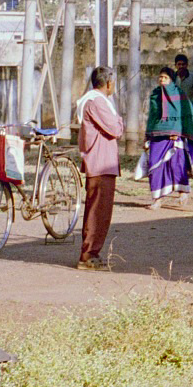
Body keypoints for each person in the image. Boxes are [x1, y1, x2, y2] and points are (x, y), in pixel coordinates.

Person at [75, 66, 123, 270]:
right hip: (101, 163)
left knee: (99, 210)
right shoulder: (96, 101)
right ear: (109, 83)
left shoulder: (95, 100)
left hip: (103, 162)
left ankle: (91, 252)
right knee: (98, 211)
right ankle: (89, 255)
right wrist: (120, 120)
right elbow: (116, 128)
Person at [145, 66, 193, 208]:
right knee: (154, 167)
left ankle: (183, 193)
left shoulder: (180, 95)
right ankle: (157, 199)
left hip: (175, 138)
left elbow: (186, 115)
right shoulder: (155, 95)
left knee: (177, 166)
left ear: (172, 79)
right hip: (157, 138)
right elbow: (151, 117)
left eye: (166, 77)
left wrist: (178, 131)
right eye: (160, 77)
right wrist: (147, 136)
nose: (162, 80)